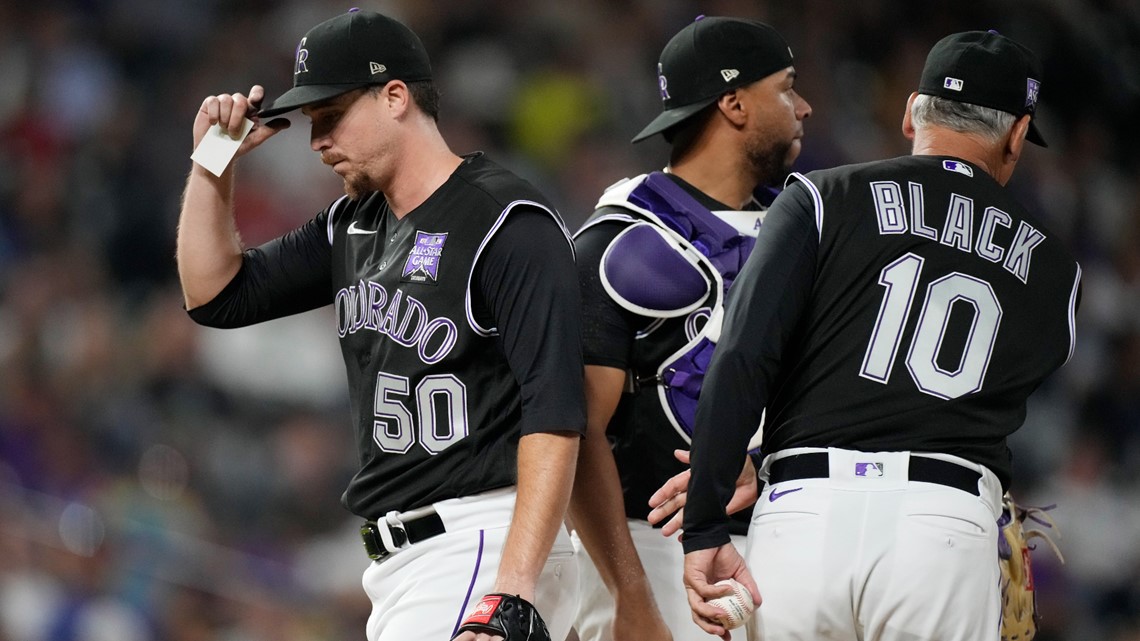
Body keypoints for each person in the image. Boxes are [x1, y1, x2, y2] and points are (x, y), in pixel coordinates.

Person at [175, 9, 585, 641]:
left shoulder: (505, 222)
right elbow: (215, 294)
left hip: (482, 542)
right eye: (311, 121)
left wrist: (511, 588)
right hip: (408, 563)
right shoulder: (354, 224)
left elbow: (556, 411)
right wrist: (213, 163)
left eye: (330, 116)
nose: (316, 141)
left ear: (395, 96)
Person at [680, 30, 1081, 641]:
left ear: (910, 111)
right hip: (944, 525)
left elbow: (742, 357)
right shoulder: (1056, 265)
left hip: (802, 514)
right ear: (1018, 134)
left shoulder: (818, 197)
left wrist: (706, 523)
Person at [567, 16, 811, 641]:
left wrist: (758, 461)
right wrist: (630, 596)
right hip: (652, 546)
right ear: (733, 103)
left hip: (787, 538)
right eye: (786, 88)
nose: (803, 108)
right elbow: (569, 432)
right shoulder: (617, 240)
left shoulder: (807, 228)